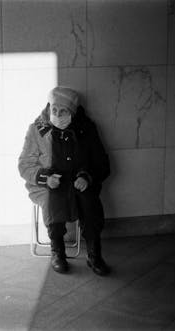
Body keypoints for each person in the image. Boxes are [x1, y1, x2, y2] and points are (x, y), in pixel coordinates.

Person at [18, 86, 111, 275]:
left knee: (89, 202)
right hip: (49, 182)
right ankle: (57, 252)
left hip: (78, 180)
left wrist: (86, 177)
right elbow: (24, 164)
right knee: (53, 200)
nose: (57, 115)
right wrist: (44, 178)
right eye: (54, 110)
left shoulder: (86, 128)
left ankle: (94, 255)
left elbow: (101, 162)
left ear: (73, 113)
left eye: (63, 111)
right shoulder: (37, 130)